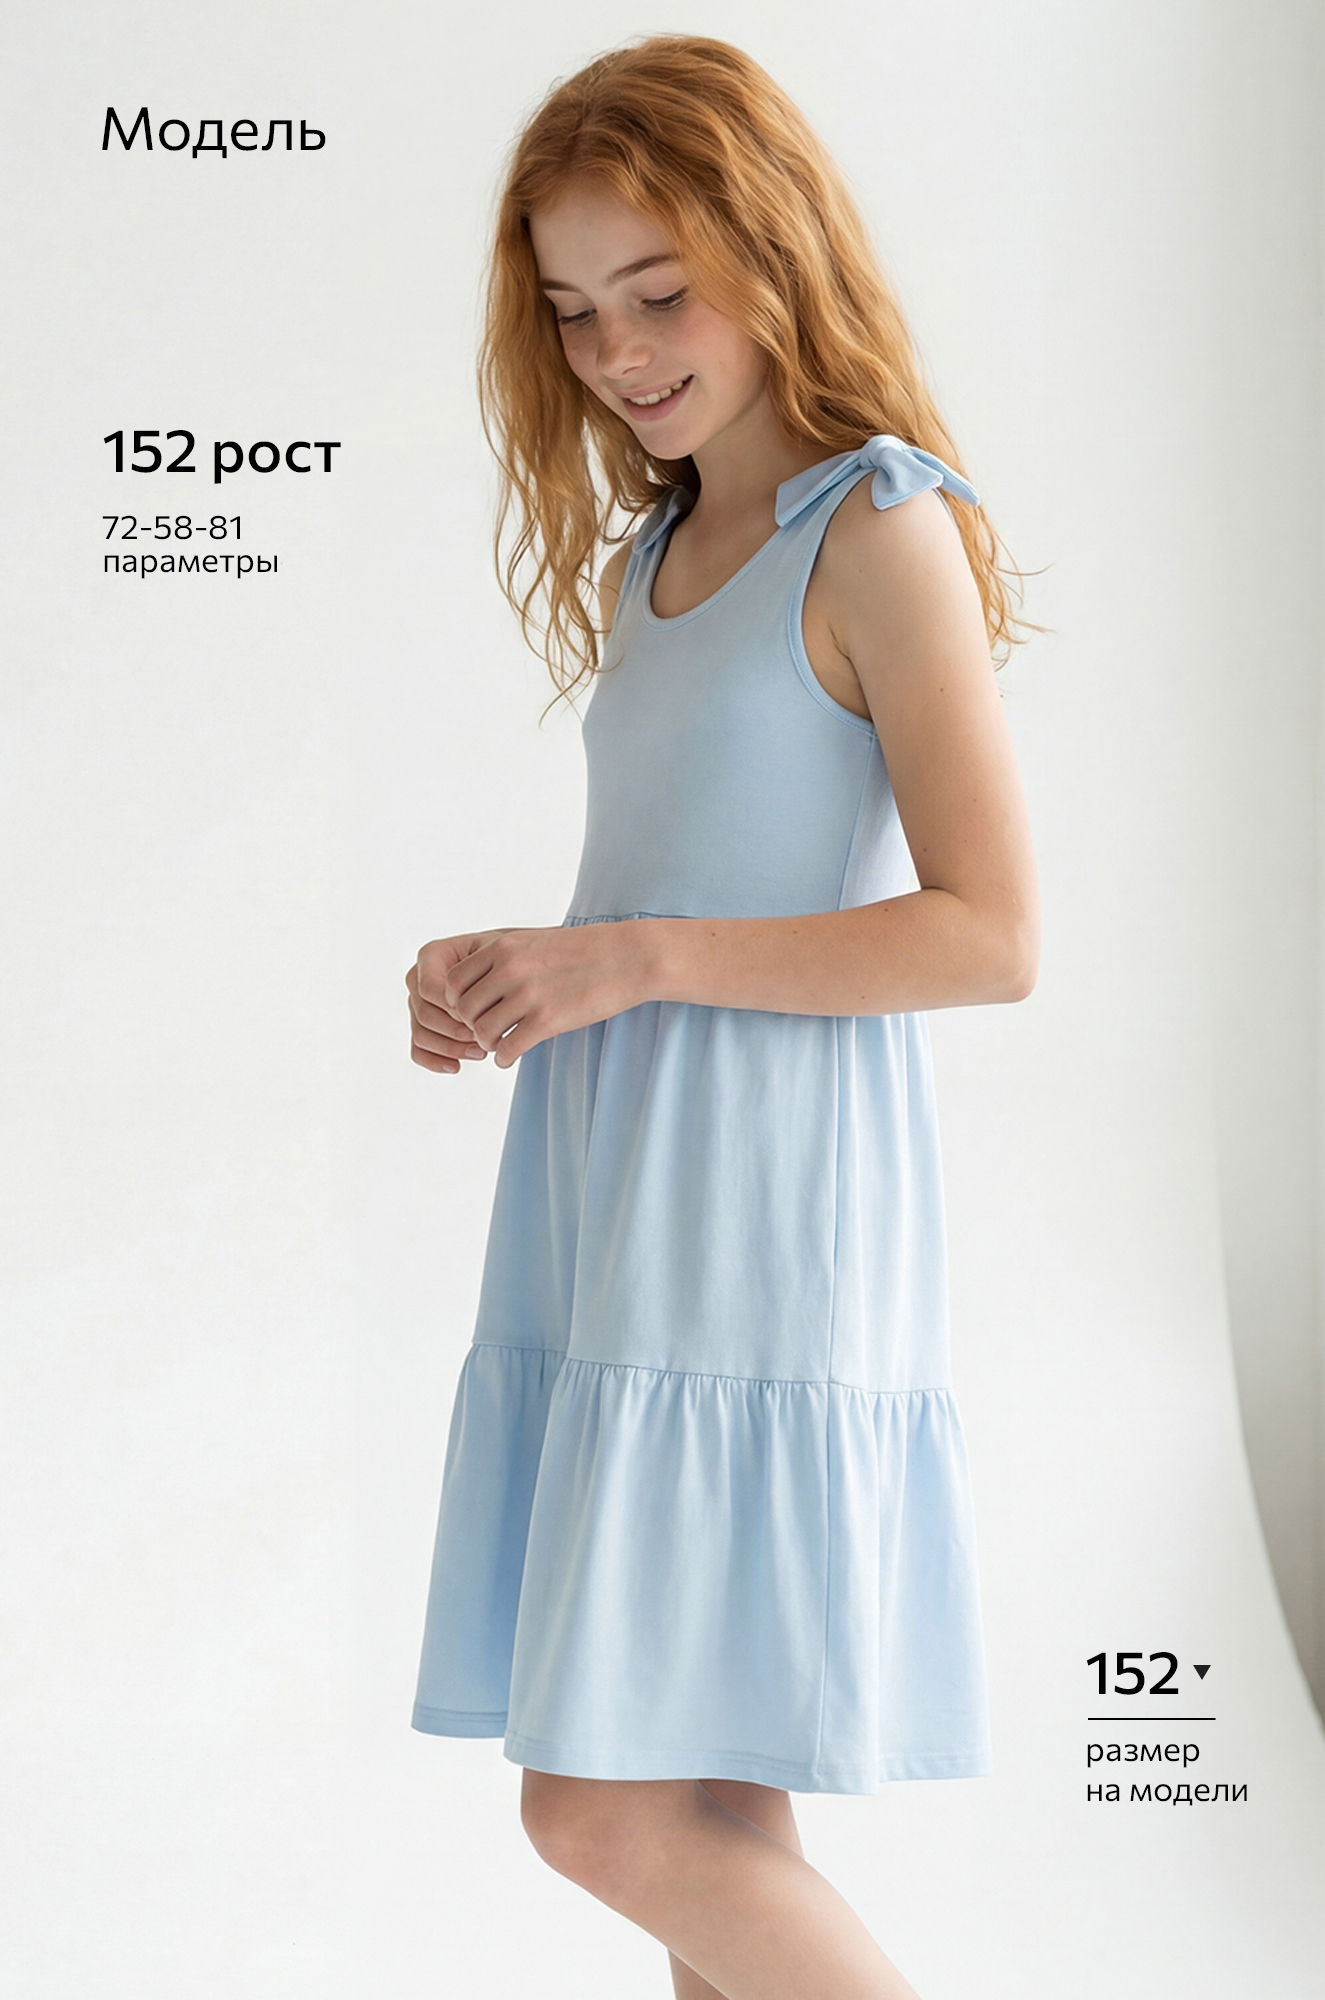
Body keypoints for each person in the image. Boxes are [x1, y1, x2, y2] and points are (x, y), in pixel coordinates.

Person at [404, 33, 1040, 2000]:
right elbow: (665, 884)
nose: (614, 349)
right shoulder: (657, 555)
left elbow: (991, 936)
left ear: (774, 253)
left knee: (598, 1814)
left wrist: (630, 963)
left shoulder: (880, 529)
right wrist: (522, 966)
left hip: (764, 1214)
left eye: (656, 291)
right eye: (573, 309)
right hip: (622, 1195)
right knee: (713, 1815)